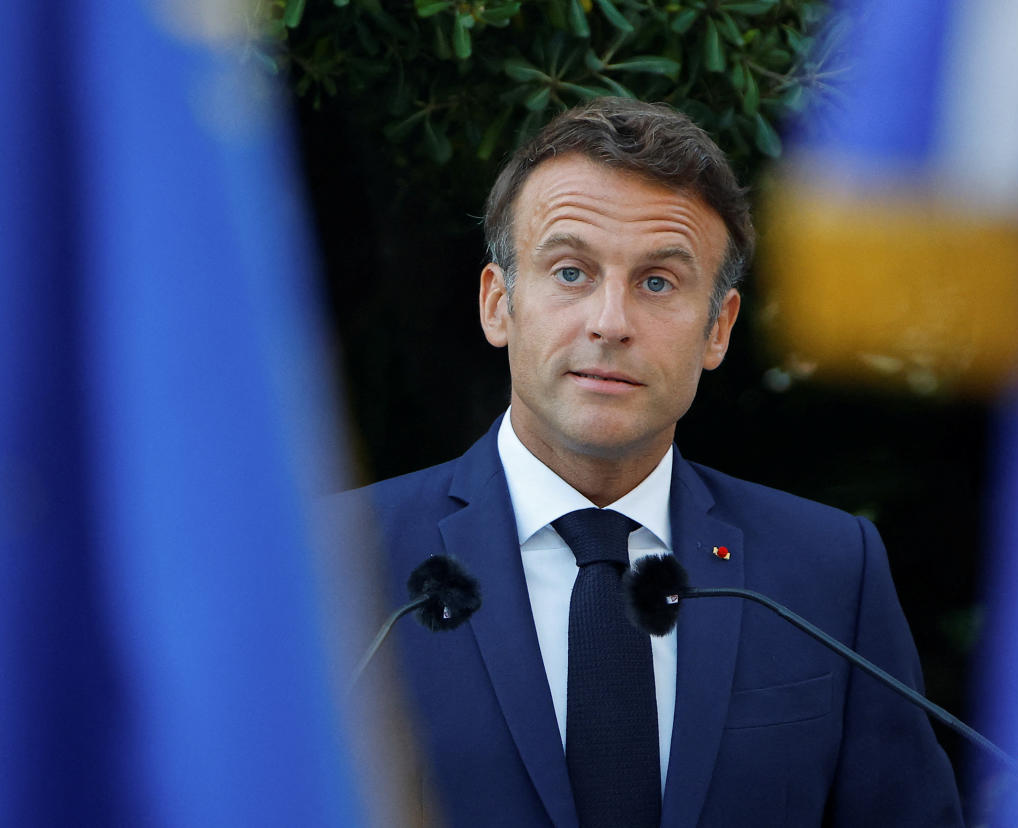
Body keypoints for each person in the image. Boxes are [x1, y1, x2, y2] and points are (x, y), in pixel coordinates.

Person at [343, 98, 963, 827]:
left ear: (718, 328)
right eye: (570, 272)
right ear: (498, 304)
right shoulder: (340, 561)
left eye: (658, 282)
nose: (611, 321)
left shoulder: (827, 573)